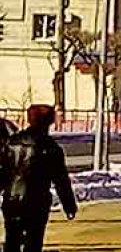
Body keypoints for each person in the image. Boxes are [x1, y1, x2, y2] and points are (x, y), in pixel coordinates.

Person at [0, 103, 76, 252]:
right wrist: (69, 205)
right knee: (33, 243)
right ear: (49, 122)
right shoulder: (51, 148)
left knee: (12, 241)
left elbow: (3, 172)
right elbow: (61, 181)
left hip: (12, 200)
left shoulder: (12, 143)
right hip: (37, 203)